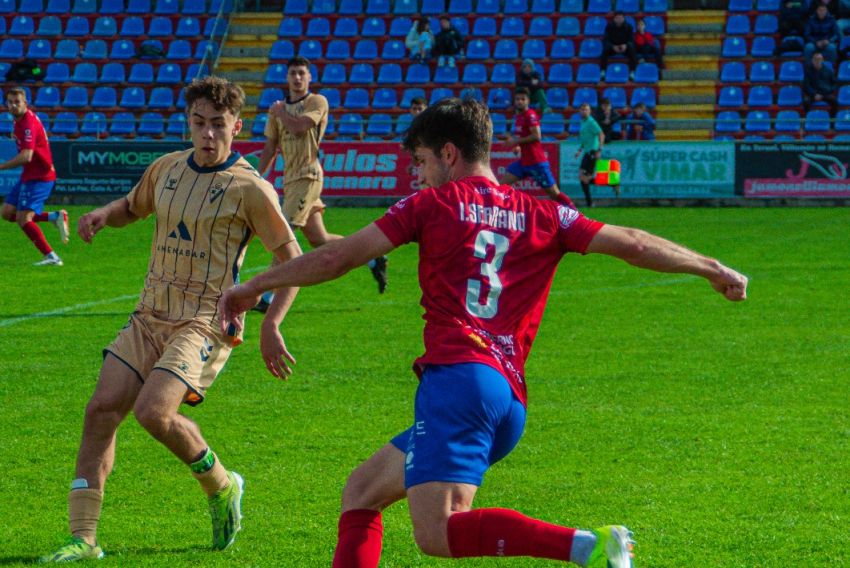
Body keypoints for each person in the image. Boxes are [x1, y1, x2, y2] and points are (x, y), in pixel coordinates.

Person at [217, 97, 749, 568]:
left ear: (449, 154)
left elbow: (339, 256)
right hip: (505, 398)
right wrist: (710, 266)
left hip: (458, 383)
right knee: (361, 490)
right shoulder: (545, 212)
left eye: (422, 162)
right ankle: (589, 546)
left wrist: (251, 287)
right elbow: (632, 241)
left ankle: (591, 546)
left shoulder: (434, 204)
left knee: (439, 533)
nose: (419, 176)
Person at [39, 76, 303, 563]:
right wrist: (103, 214)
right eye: (199, 123)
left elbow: (292, 259)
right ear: (189, 122)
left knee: (152, 413)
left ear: (236, 126)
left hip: (203, 320)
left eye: (218, 126)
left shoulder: (250, 188)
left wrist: (271, 323)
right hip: (149, 313)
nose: (207, 135)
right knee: (101, 411)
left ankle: (221, 485)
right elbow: (130, 208)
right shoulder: (166, 169)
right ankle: (84, 538)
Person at [256, 56, 388, 307]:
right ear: (286, 77)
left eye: (301, 73)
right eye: (293, 73)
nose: (297, 78)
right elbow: (271, 146)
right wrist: (257, 174)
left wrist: (281, 112)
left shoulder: (316, 102)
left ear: (309, 77)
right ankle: (374, 258)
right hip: (291, 180)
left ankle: (267, 296)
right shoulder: (278, 111)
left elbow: (300, 127)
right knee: (319, 239)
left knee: (285, 232)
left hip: (309, 175)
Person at [0, 87, 68, 266]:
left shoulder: (27, 123)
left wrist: (2, 167)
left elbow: (27, 156)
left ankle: (52, 257)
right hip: (29, 174)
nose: (13, 106)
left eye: (17, 102)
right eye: (10, 102)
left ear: (25, 104)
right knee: (7, 213)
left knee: (23, 219)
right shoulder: (19, 121)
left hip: (40, 176)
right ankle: (54, 217)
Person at [498, 88, 564, 201]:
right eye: (517, 99)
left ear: (528, 101)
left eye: (523, 99)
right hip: (524, 162)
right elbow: (522, 137)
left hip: (536, 162)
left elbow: (537, 136)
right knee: (501, 186)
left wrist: (515, 142)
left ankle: (573, 211)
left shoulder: (530, 115)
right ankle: (502, 208)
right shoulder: (519, 117)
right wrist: (518, 147)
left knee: (554, 193)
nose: (520, 101)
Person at [575, 102, 604, 207]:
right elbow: (585, 139)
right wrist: (579, 150)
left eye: (586, 109)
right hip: (587, 152)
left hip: (592, 152)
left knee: (584, 177)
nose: (584, 111)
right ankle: (590, 203)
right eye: (582, 110)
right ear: (579, 111)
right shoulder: (583, 122)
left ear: (590, 111)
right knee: (583, 178)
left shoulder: (591, 122)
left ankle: (590, 202)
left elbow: (601, 134)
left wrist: (599, 149)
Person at [601, 12, 638, 79]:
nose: (619, 19)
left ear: (624, 19)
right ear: (614, 19)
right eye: (617, 18)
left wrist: (626, 45)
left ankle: (632, 71)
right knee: (604, 50)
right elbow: (606, 40)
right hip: (613, 47)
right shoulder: (609, 26)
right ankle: (603, 71)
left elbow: (631, 40)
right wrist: (612, 46)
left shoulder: (629, 27)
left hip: (625, 47)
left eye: (621, 18)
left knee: (632, 50)